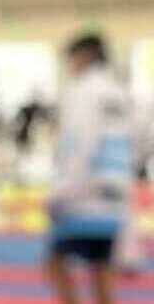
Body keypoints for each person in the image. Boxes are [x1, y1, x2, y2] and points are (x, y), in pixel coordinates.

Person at [46, 33, 134, 304]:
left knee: (54, 263)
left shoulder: (83, 92)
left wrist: (62, 193)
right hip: (114, 196)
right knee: (101, 270)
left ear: (83, 57)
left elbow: (81, 144)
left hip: (85, 195)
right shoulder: (118, 91)